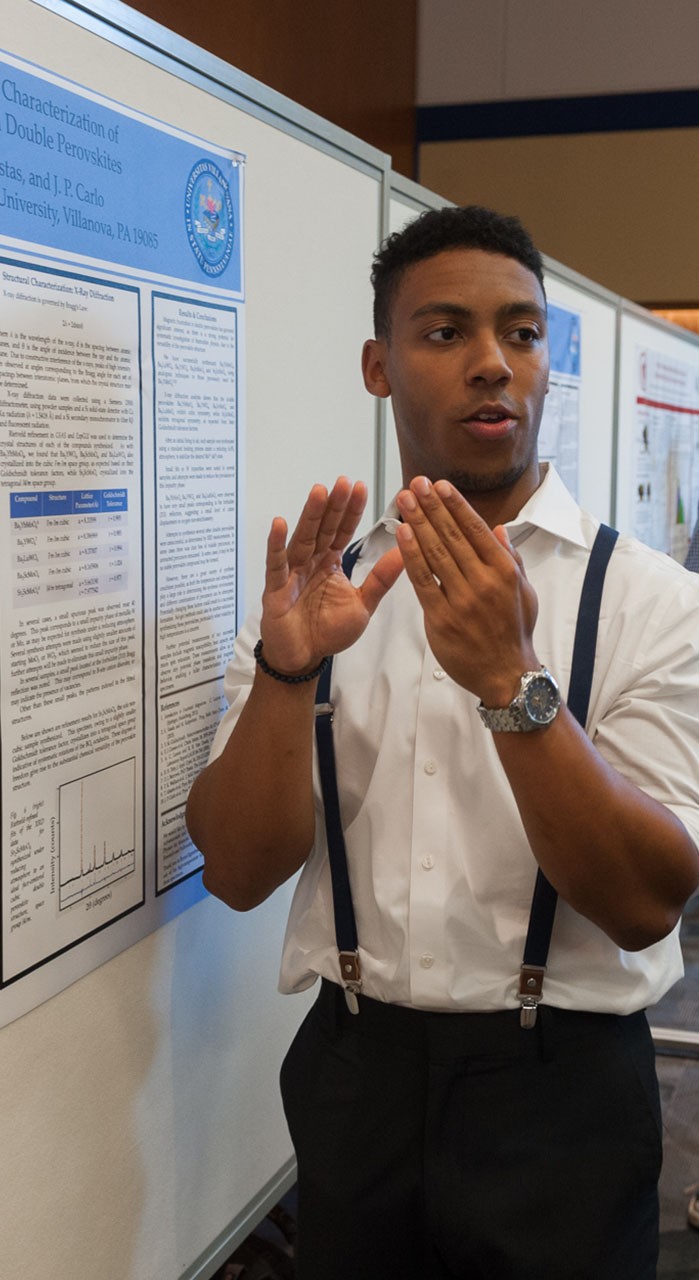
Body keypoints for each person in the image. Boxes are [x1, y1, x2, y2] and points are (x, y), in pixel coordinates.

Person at [186, 206, 699, 1280]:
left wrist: (512, 684)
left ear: (548, 362)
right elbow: (236, 872)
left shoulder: (653, 601)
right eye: (444, 332)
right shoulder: (314, 593)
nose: (490, 365)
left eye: (521, 332)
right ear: (379, 364)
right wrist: (287, 676)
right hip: (353, 1073)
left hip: (562, 1091)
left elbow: (650, 896)